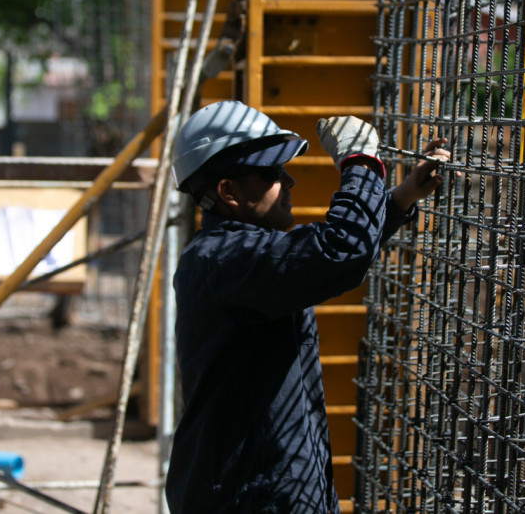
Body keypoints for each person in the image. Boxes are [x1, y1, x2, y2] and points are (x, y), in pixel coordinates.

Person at [164, 100, 449, 513]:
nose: (290, 182)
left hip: (258, 486)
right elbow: (338, 252)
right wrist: (361, 164)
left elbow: (319, 260)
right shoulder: (226, 260)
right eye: (271, 173)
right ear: (228, 192)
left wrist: (401, 197)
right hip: (248, 498)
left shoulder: (232, 255)